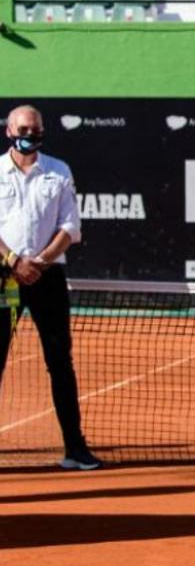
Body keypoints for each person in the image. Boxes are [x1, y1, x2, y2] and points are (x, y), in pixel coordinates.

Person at [0, 106, 101, 471]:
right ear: (9, 130)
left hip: (48, 278)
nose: (30, 133)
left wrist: (39, 262)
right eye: (24, 128)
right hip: (4, 277)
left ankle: (75, 449)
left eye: (36, 129)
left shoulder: (58, 170)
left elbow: (70, 227)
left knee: (60, 362)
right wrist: (13, 261)